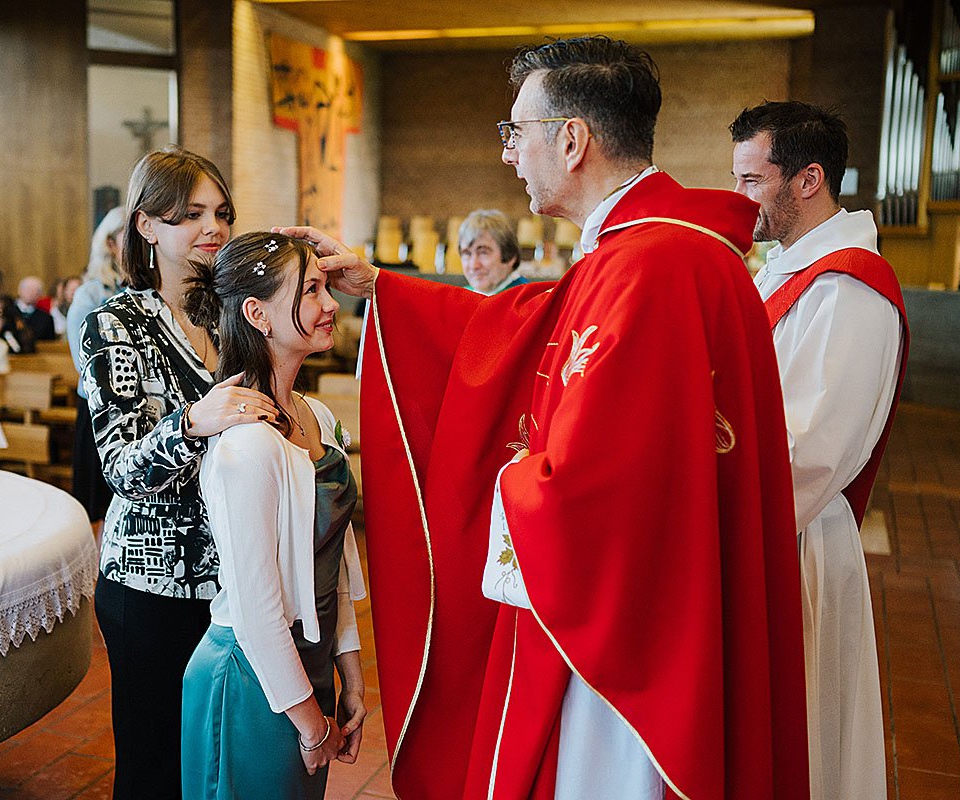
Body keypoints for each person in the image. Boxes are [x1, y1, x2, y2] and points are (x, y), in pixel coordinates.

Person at [279, 35, 808, 800]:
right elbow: (527, 328)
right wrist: (382, 288)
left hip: (629, 641)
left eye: (515, 131)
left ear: (572, 140)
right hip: (651, 606)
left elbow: (591, 484)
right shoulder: (652, 254)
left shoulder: (650, 267)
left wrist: (499, 482)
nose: (508, 154)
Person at [79, 146, 279, 800]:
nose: (212, 227)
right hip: (151, 584)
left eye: (221, 212)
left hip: (232, 578)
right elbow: (121, 468)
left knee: (217, 763)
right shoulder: (116, 324)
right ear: (146, 225)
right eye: (190, 214)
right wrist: (192, 422)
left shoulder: (232, 316)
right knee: (156, 769)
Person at [730, 100, 907, 800]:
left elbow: (814, 451)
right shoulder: (782, 269)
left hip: (794, 537)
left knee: (801, 738)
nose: (738, 197)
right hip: (767, 525)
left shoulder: (848, 288)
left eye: (751, 180)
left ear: (808, 180)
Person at [180, 232, 367, 799]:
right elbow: (258, 608)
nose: (331, 304)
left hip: (309, 663)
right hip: (251, 677)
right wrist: (311, 724)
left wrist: (350, 673)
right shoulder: (248, 443)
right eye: (310, 290)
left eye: (326, 287)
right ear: (257, 314)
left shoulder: (316, 416)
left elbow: (335, 559)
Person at [67, 206, 126, 525]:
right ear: (110, 243)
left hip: (137, 407)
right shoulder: (90, 294)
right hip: (99, 406)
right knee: (97, 502)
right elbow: (82, 359)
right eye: (129, 233)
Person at [458, 209, 528, 295]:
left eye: (483, 253)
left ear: (510, 257)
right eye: (467, 254)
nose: (474, 265)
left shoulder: (526, 297)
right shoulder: (461, 295)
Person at [15, 275, 56, 340]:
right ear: (19, 291)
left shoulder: (45, 318)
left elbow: (50, 343)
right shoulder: (8, 312)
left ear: (40, 295)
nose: (31, 293)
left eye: (35, 291)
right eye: (28, 289)